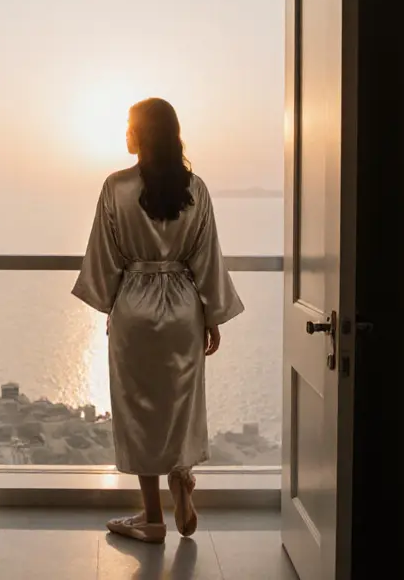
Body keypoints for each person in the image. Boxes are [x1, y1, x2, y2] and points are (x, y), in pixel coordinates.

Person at [72, 97, 244, 544]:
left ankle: (152, 517)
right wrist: (212, 317)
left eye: (130, 127)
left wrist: (115, 306)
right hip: (184, 308)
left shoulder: (115, 187)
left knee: (139, 412)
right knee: (181, 403)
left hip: (135, 306)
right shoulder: (196, 189)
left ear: (145, 135)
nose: (125, 135)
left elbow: (104, 257)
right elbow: (207, 258)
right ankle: (182, 475)